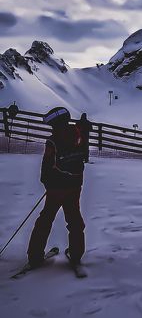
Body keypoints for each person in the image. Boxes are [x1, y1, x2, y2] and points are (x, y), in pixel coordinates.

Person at [27, 106, 86, 268]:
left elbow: (47, 167)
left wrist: (47, 183)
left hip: (56, 188)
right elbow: (82, 157)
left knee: (45, 219)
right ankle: (76, 255)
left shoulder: (53, 141)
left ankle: (34, 256)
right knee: (74, 220)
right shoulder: (78, 134)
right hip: (74, 185)